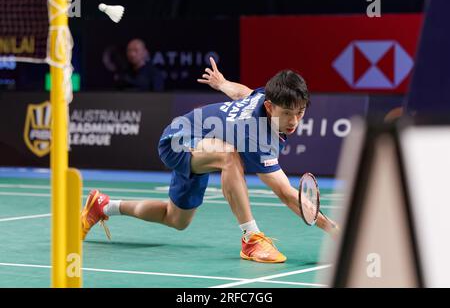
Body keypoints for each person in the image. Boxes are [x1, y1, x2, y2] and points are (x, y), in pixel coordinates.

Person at [81, 57, 339, 263]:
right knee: (229, 156)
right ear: (271, 107)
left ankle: (103, 206)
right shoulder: (256, 134)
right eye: (287, 114)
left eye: (300, 112)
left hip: (202, 148)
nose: (294, 121)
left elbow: (244, 93)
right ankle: (251, 239)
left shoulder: (265, 98)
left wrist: (222, 83)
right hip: (178, 139)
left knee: (176, 219)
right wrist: (334, 230)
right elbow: (285, 193)